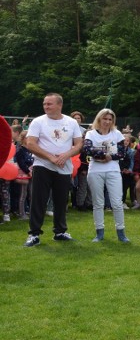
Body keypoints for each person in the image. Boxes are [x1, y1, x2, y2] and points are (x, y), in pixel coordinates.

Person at [23, 93, 83, 247]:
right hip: (42, 165)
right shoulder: (38, 122)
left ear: (59, 105)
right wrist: (51, 158)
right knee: (39, 200)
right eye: (44, 104)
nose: (46, 106)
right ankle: (34, 234)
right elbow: (30, 143)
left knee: (61, 200)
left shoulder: (71, 122)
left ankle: (60, 231)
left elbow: (79, 144)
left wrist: (65, 156)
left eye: (49, 104)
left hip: (64, 167)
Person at [82, 108, 129, 242]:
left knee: (117, 203)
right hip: (95, 171)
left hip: (113, 171)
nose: (107, 122)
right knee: (98, 203)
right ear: (99, 119)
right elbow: (87, 149)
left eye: (110, 119)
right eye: (105, 119)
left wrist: (104, 155)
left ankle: (121, 232)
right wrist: (105, 154)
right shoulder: (91, 134)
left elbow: (121, 153)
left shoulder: (117, 134)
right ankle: (99, 233)